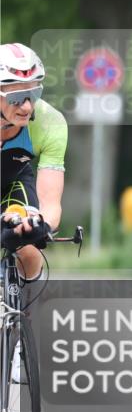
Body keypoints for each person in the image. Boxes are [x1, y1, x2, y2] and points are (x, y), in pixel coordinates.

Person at [0, 43, 66, 280]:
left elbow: (51, 203)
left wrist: (41, 225)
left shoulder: (50, 123)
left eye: (34, 94)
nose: (27, 106)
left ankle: (27, 301)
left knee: (30, 250)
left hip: (13, 180)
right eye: (17, 97)